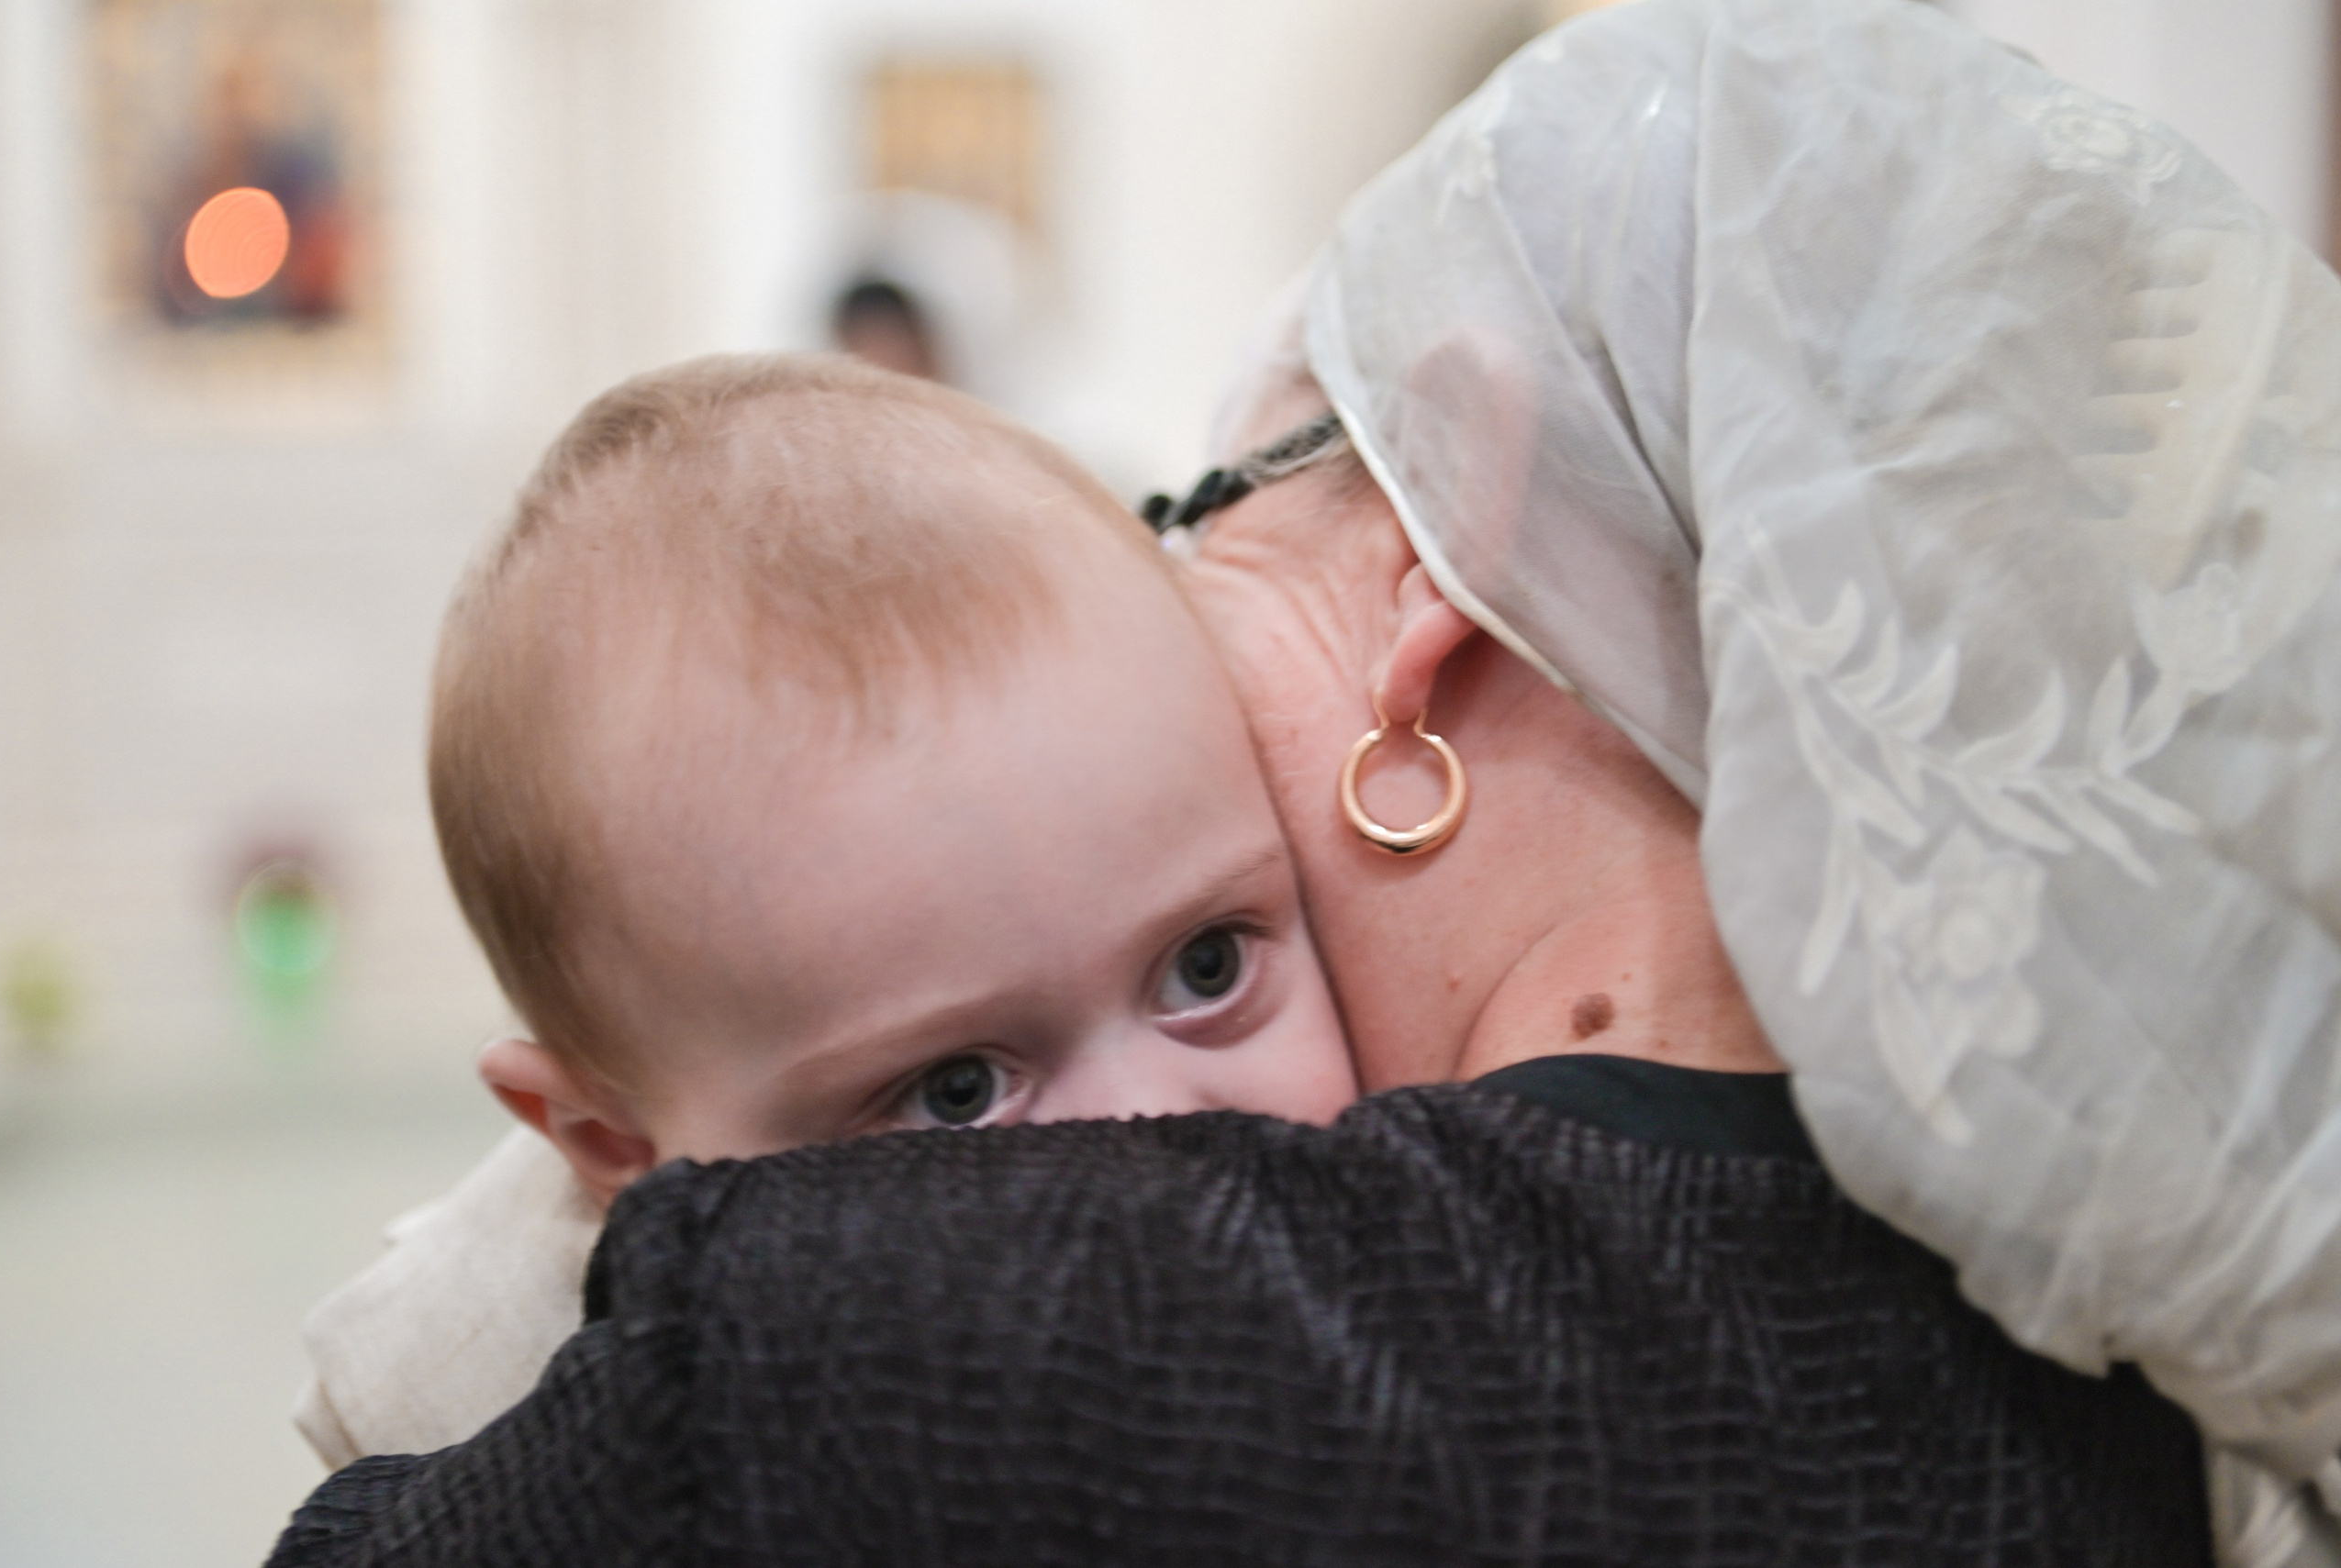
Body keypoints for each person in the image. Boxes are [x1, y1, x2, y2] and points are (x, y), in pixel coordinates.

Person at [274, 0, 2341, 1559]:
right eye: (959, 1082)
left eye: (1235, 478)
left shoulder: (866, 1354)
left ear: (1440, 552)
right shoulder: (2105, 1415)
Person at [292, 349, 1357, 1465]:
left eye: (1206, 967)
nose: (1165, 1138)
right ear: (619, 1145)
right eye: (958, 1092)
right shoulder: (563, 1468)